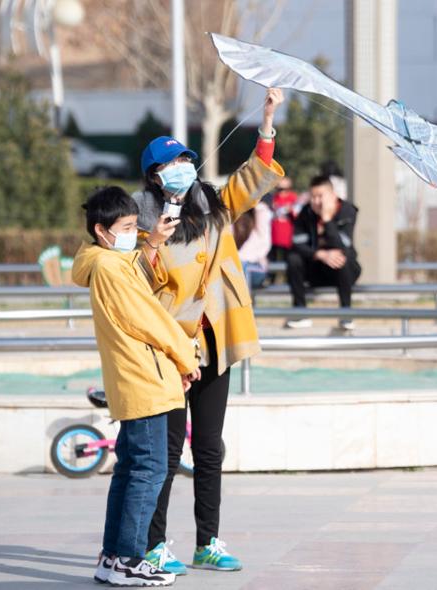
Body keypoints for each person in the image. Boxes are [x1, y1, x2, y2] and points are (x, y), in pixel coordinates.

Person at [131, 87, 285, 575]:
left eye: (186, 160)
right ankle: (153, 544)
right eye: (171, 163)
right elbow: (132, 281)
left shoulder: (214, 203)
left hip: (214, 342)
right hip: (169, 351)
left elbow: (254, 177)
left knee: (210, 448)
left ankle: (208, 542)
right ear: (154, 176)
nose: (182, 167)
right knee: (166, 451)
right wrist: (152, 243)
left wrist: (266, 121)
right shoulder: (140, 221)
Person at [72, 186, 200, 587]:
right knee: (149, 469)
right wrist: (186, 354)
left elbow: (137, 269)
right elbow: (149, 319)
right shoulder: (111, 268)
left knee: (130, 469)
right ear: (101, 230)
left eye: (134, 225)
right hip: (144, 379)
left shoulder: (107, 261)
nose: (133, 233)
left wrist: (153, 240)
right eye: (126, 227)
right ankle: (128, 558)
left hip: (137, 378)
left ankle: (112, 557)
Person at [285, 174, 361, 330]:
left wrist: (327, 220)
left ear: (333, 195)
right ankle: (300, 312)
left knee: (342, 257)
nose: (316, 201)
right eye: (312, 197)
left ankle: (346, 314)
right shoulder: (306, 212)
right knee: (293, 258)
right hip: (316, 268)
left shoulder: (347, 210)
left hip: (343, 272)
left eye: (320, 196)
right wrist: (320, 254)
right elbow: (297, 243)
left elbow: (344, 246)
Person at [234, 199, 272, 290]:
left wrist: (255, 204)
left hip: (254, 265)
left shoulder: (260, 211)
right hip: (239, 265)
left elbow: (264, 244)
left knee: (243, 268)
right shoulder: (234, 216)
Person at [267, 176, 298, 281]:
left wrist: (291, 210)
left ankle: (289, 281)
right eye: (279, 189)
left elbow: (297, 216)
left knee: (288, 262)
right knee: (272, 261)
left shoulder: (293, 198)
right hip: (273, 237)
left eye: (285, 189)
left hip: (288, 238)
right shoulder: (273, 198)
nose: (282, 192)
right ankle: (270, 281)